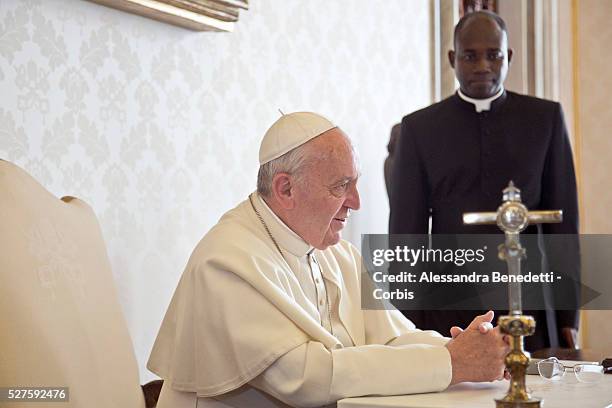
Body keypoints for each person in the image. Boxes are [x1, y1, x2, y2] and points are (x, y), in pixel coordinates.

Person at [148, 112, 509, 408]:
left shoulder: (335, 251)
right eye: (341, 186)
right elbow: (304, 379)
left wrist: (468, 350)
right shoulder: (227, 260)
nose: (356, 202)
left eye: (355, 184)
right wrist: (452, 363)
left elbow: (393, 338)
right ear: (285, 189)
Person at [388, 11, 579, 351]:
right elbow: (407, 236)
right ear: (452, 58)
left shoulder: (544, 119)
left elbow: (563, 228)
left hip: (530, 301)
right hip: (450, 302)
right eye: (469, 55)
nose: (482, 66)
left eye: (493, 55)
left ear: (509, 57)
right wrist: (405, 321)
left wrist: (568, 317)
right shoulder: (420, 129)